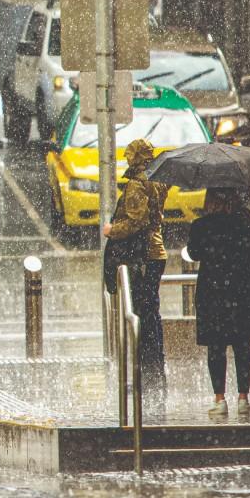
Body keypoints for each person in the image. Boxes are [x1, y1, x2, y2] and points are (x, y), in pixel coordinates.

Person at [188, 189, 250, 418]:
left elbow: (194, 253)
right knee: (243, 345)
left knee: (216, 347)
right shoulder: (245, 220)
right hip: (242, 291)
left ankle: (220, 399)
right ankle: (244, 398)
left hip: (213, 292)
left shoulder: (201, 225)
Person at [102, 138, 169, 401]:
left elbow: (136, 222)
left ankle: (147, 375)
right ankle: (155, 372)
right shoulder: (158, 180)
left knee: (142, 315)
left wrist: (111, 230)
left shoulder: (136, 185)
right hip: (157, 250)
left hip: (143, 256)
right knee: (151, 314)